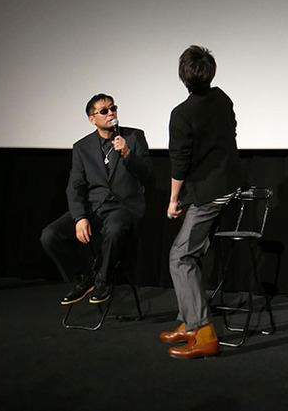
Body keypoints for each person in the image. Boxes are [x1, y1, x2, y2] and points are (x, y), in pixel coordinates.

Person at [160, 45, 247, 359]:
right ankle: (187, 322)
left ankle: (204, 333)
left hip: (211, 191)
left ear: (183, 77)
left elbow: (179, 163)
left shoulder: (182, 114)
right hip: (226, 184)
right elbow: (230, 134)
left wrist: (173, 200)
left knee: (180, 257)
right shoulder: (222, 98)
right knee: (190, 253)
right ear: (211, 72)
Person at [41, 94, 152, 305]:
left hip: (123, 206)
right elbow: (75, 186)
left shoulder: (134, 137)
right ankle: (83, 278)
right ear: (92, 119)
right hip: (93, 207)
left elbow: (147, 173)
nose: (111, 114)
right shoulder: (82, 147)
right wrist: (80, 217)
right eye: (104, 111)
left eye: (113, 108)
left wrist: (128, 154)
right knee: (50, 235)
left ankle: (103, 280)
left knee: (115, 229)